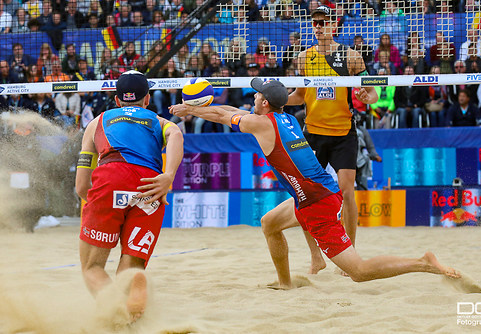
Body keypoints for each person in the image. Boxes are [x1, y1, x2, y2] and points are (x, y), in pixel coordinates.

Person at [170, 77, 461, 289]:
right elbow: (231, 113)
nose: (253, 96)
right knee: (270, 224)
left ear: (265, 103)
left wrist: (191, 109)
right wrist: (195, 109)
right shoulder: (286, 119)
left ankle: (423, 262)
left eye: (257, 95)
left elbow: (223, 114)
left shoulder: (262, 123)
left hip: (317, 202)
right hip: (311, 195)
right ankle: (285, 283)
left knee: (358, 271)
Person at [260, 6, 379, 277]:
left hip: (343, 133)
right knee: (306, 197)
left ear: (333, 25)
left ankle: (351, 251)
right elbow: (300, 96)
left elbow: (372, 94)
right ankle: (316, 257)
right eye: (315, 23)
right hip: (313, 133)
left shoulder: (350, 57)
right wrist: (272, 99)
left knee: (347, 192)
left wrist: (365, 96)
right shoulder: (304, 58)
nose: (318, 27)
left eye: (323, 22)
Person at [75, 70, 183, 321]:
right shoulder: (156, 120)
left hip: (110, 179)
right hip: (150, 185)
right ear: (147, 99)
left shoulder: (96, 122)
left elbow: (81, 186)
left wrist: (102, 205)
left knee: (92, 267)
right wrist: (168, 176)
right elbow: (176, 134)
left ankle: (116, 308)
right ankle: (131, 311)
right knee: (131, 266)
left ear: (116, 100)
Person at [355, 123, 382, 190]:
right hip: (345, 163)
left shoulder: (361, 130)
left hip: (360, 162)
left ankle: (363, 199)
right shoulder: (341, 129)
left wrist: (374, 155)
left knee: (362, 188)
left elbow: (370, 146)